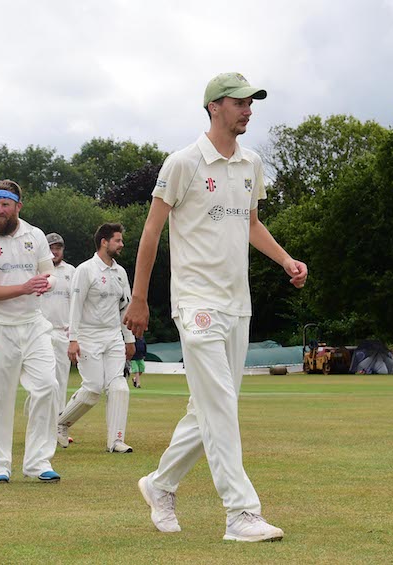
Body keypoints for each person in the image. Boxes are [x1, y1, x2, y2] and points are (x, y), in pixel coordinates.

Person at [125, 73, 307, 541]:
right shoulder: (183, 163)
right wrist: (140, 298)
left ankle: (161, 484)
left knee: (208, 407)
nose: (248, 110)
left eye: (252, 103)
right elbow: (150, 232)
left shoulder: (251, 162)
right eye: (240, 102)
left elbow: (250, 224)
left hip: (236, 304)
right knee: (221, 405)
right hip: (196, 303)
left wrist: (287, 260)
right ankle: (241, 514)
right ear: (213, 107)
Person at [0, 179, 60, 484]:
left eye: (5, 204)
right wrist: (23, 287)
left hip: (33, 324)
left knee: (47, 386)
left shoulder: (35, 235)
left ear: (18, 206)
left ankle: (37, 461)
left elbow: (49, 272)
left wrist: (48, 282)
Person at [56, 223, 136, 453]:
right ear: (104, 242)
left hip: (112, 336)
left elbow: (125, 307)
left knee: (119, 387)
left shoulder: (120, 273)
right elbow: (76, 306)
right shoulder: (85, 270)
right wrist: (73, 338)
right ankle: (61, 423)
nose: (121, 244)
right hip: (88, 336)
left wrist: (129, 338)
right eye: (118, 240)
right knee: (92, 389)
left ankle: (116, 441)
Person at [39, 233, 77, 424]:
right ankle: (40, 421)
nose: (55, 251)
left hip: (63, 332)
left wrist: (75, 332)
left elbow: (77, 304)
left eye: (58, 248)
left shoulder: (71, 271)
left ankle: (58, 424)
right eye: (51, 248)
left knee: (61, 380)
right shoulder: (37, 269)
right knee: (42, 380)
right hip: (41, 332)